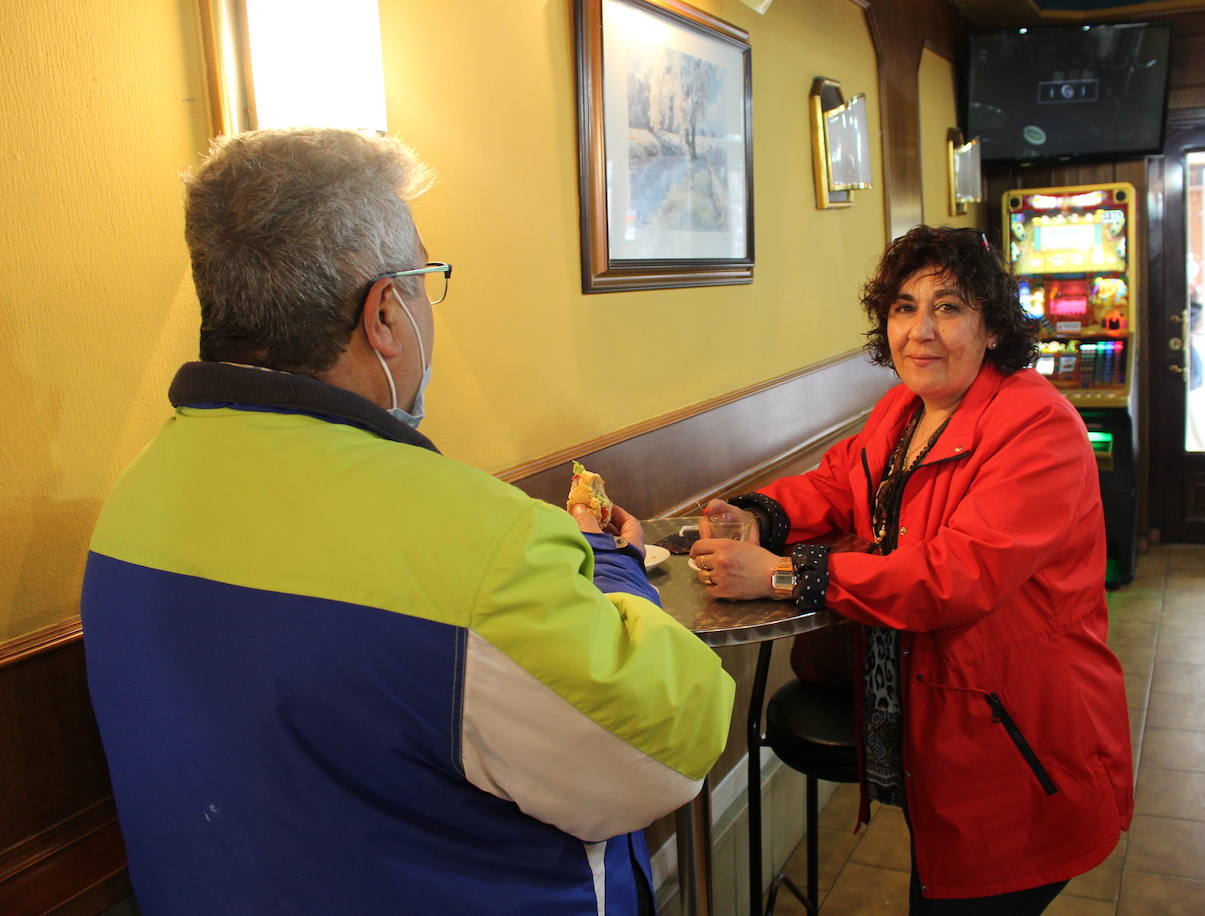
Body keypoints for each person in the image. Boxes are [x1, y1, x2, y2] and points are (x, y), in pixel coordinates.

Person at [80, 128, 733, 915]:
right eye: (425, 281)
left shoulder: (132, 501)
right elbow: (670, 746)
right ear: (385, 312)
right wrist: (612, 563)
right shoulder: (482, 546)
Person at [691, 226, 1133, 913]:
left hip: (1017, 740)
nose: (920, 330)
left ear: (992, 328)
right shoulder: (905, 407)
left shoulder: (1039, 427)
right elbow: (841, 483)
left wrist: (785, 573)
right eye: (904, 307)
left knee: (973, 890)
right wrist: (760, 516)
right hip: (944, 722)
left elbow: (954, 576)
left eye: (948, 307)